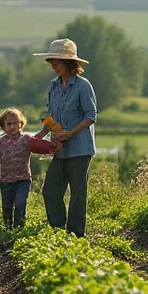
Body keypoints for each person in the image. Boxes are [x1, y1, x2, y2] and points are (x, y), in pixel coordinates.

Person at [32, 38, 97, 238]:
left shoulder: (83, 86)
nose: (54, 64)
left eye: (57, 60)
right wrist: (41, 135)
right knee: (50, 192)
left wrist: (69, 134)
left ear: (69, 63)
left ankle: (76, 235)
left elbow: (90, 116)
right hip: (59, 149)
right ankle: (58, 232)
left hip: (80, 148)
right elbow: (51, 116)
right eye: (52, 60)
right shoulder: (52, 86)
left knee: (77, 194)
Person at [0, 107, 31, 229]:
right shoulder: (0, 142)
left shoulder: (26, 139)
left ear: (21, 124)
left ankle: (18, 230)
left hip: (23, 180)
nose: (12, 127)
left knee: (20, 205)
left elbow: (40, 147)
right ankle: (7, 231)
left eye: (15, 123)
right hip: (6, 181)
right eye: (9, 124)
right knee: (7, 209)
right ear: (3, 126)